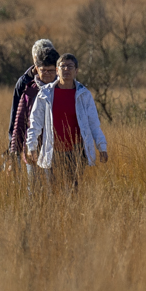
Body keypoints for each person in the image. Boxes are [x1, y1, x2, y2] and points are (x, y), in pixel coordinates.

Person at [26, 54, 108, 189]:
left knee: (73, 190)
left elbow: (93, 123)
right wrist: (31, 147)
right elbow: (35, 122)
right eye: (62, 66)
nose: (66, 69)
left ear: (76, 71)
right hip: (53, 151)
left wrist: (102, 146)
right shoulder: (45, 93)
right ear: (57, 70)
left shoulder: (84, 94)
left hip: (76, 151)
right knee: (53, 190)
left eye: (70, 66)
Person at [8, 47, 58, 181]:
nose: (46, 74)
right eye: (43, 70)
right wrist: (14, 152)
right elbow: (19, 123)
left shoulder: (64, 89)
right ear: (36, 69)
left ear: (57, 70)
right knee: (34, 187)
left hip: (59, 150)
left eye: (50, 70)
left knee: (57, 186)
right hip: (32, 148)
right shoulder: (29, 91)